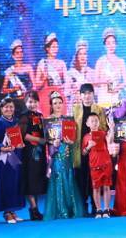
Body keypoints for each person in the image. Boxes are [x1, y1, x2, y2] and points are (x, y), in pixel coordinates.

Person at [43, 91, 84, 220]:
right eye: (55, 103)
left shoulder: (68, 119)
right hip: (56, 153)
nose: (58, 105)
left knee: (68, 177)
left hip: (67, 151)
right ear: (51, 105)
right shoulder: (47, 121)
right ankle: (61, 209)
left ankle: (71, 208)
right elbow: (46, 139)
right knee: (58, 177)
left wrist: (71, 142)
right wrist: (52, 143)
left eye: (60, 102)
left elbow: (73, 137)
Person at [72, 83, 107, 214]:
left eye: (89, 93)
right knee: (80, 177)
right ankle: (83, 205)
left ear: (93, 94)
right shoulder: (75, 109)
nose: (87, 96)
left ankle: (95, 205)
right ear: (80, 95)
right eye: (84, 93)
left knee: (95, 178)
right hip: (80, 150)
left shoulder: (99, 109)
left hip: (96, 150)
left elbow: (103, 127)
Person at [0, 97, 26, 224]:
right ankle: (7, 212)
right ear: (1, 109)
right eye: (6, 107)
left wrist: (21, 144)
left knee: (15, 184)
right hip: (4, 158)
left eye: (11, 107)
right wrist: (2, 148)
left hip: (16, 156)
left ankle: (13, 211)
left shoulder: (16, 122)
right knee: (6, 184)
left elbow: (19, 138)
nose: (9, 109)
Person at [20, 92, 48, 220]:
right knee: (30, 180)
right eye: (30, 102)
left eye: (35, 101)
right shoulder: (23, 117)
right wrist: (40, 140)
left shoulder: (40, 116)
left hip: (40, 152)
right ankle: (33, 209)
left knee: (37, 180)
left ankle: (35, 209)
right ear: (25, 103)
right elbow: (23, 135)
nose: (32, 104)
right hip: (29, 153)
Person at [82, 112, 113, 218]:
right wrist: (88, 147)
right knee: (96, 188)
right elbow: (83, 153)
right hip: (94, 166)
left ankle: (107, 209)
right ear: (87, 123)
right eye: (92, 121)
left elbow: (110, 141)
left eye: (96, 120)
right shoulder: (86, 137)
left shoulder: (103, 133)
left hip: (106, 164)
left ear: (99, 122)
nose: (94, 123)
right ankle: (99, 209)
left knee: (107, 187)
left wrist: (112, 129)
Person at [94, 28, 126, 106]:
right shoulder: (100, 61)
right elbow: (96, 82)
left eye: (113, 42)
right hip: (103, 97)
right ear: (105, 45)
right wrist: (104, 81)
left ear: (116, 44)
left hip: (117, 96)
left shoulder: (121, 61)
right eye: (108, 43)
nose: (111, 46)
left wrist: (117, 88)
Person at [67, 40, 95, 105]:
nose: (82, 56)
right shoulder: (70, 73)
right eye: (80, 54)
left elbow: (97, 90)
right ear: (77, 56)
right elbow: (66, 92)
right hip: (76, 104)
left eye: (84, 54)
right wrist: (73, 91)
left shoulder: (91, 72)